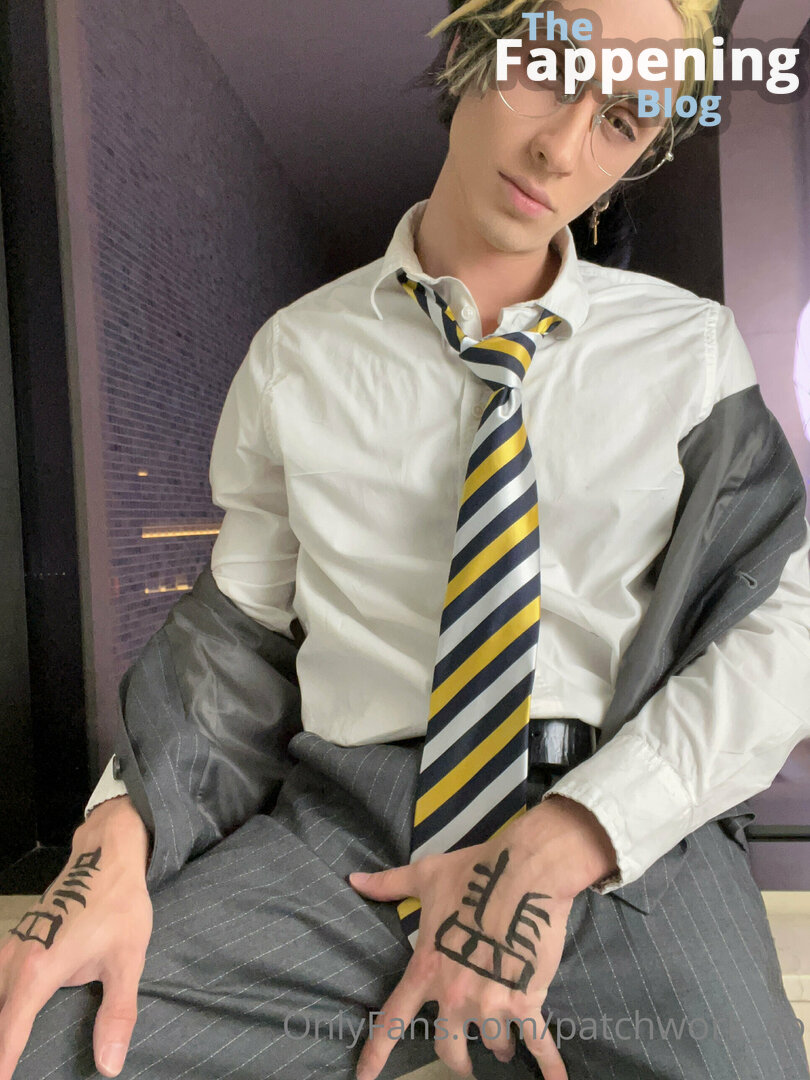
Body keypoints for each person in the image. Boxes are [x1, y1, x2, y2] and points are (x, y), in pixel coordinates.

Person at [3, 0, 810, 1077]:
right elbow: (239, 635)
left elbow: (780, 622)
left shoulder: (693, 353)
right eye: (547, 70)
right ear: (472, 45)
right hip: (350, 841)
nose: (560, 147)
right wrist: (114, 835)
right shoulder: (297, 354)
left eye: (622, 120)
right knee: (49, 1046)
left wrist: (580, 830)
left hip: (620, 840)